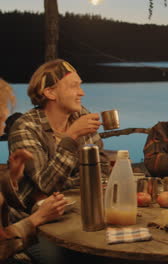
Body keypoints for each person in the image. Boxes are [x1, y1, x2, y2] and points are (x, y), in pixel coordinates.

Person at [8, 59, 109, 218]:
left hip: (74, 208)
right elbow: (46, 185)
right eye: (73, 86)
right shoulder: (25, 127)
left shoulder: (80, 115)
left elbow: (101, 172)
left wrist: (65, 183)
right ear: (50, 93)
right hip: (32, 221)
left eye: (80, 85)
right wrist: (71, 137)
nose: (81, 92)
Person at [0, 78, 67, 263]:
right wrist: (37, 219)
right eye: (0, 118)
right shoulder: (26, 129)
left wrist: (11, 178)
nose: (2, 129)